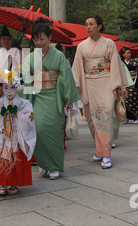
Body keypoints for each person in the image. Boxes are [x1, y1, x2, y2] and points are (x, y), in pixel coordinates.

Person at [21, 18, 80, 180]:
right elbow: (24, 76)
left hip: (55, 97)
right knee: (38, 131)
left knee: (53, 132)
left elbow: (66, 77)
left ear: (49, 38)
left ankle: (55, 166)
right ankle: (44, 163)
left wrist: (68, 98)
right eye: (36, 39)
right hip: (37, 98)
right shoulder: (30, 58)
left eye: (42, 38)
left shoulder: (58, 56)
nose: (39, 42)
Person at [72, 15, 128, 169]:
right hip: (89, 84)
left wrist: (118, 86)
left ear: (100, 26)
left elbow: (116, 65)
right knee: (91, 119)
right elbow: (77, 68)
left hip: (106, 83)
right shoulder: (81, 46)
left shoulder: (109, 44)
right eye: (86, 24)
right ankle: (100, 150)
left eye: (91, 24)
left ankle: (106, 154)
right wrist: (76, 86)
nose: (88, 27)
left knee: (104, 117)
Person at [0, 69, 36, 196]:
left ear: (18, 88)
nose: (9, 91)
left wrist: (18, 114)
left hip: (17, 135)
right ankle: (3, 184)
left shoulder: (24, 103)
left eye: (13, 87)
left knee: (16, 158)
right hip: (4, 136)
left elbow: (29, 116)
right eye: (6, 87)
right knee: (3, 158)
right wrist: (2, 117)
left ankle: (14, 183)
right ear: (2, 88)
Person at [0, 25, 21, 99]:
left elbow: (20, 71)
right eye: (3, 39)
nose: (6, 41)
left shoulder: (16, 54)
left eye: (8, 39)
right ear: (0, 40)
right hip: (1, 90)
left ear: (11, 40)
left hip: (15, 90)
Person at [120, 47, 138, 124]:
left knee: (134, 100)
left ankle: (135, 117)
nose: (129, 54)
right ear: (123, 55)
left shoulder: (134, 62)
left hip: (134, 82)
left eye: (130, 53)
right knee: (125, 101)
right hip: (125, 82)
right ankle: (126, 117)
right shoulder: (121, 62)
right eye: (127, 53)